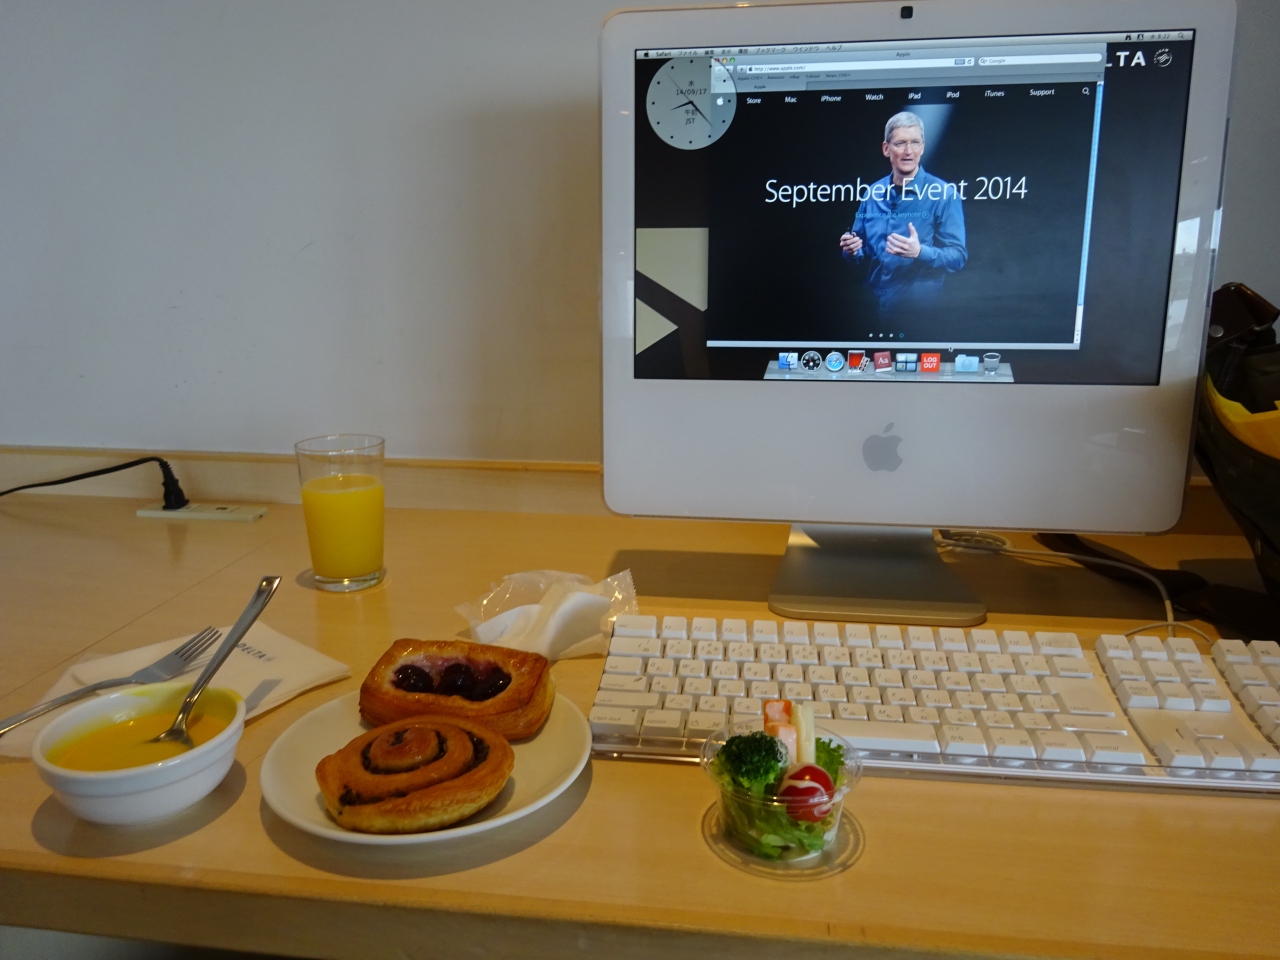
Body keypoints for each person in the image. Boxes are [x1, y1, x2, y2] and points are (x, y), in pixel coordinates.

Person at [839, 111, 967, 316]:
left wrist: (919, 252)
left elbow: (958, 257)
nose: (909, 151)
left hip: (917, 316)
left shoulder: (944, 195)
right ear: (886, 149)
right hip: (871, 311)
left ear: (922, 147)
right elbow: (858, 250)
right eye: (900, 143)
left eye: (915, 143)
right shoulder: (872, 193)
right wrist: (851, 250)